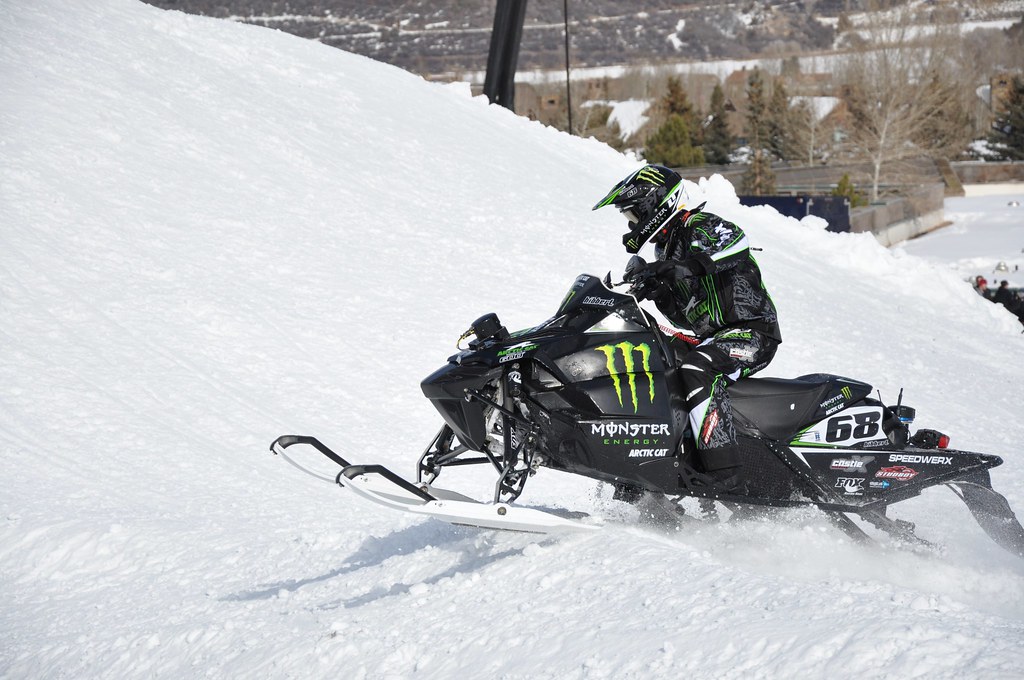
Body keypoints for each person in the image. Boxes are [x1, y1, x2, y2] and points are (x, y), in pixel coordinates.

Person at [593, 164, 782, 491]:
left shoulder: (698, 225)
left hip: (752, 333)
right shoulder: (662, 248)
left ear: (655, 205)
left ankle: (726, 472)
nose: (631, 224)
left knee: (696, 367)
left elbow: (735, 243)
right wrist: (660, 294)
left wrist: (677, 269)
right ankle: (656, 465)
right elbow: (688, 316)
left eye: (633, 215)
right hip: (713, 337)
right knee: (654, 364)